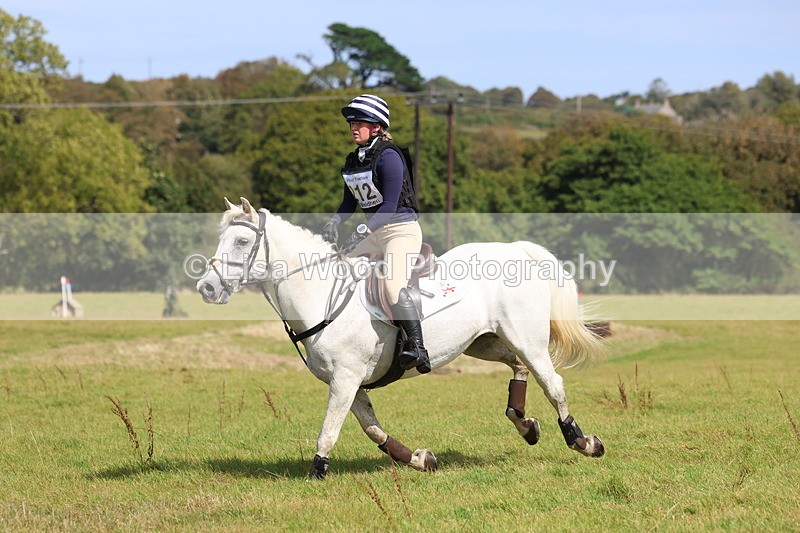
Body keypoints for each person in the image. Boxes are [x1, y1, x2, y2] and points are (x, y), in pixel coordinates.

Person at [321, 94, 431, 374]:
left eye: (361, 122)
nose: (354, 127)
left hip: (400, 230)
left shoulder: (389, 156)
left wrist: (363, 229)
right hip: (373, 231)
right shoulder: (354, 161)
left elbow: (390, 205)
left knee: (393, 285)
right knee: (336, 265)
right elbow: (349, 204)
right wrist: (335, 221)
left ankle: (417, 347)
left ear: (378, 126)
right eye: (352, 123)